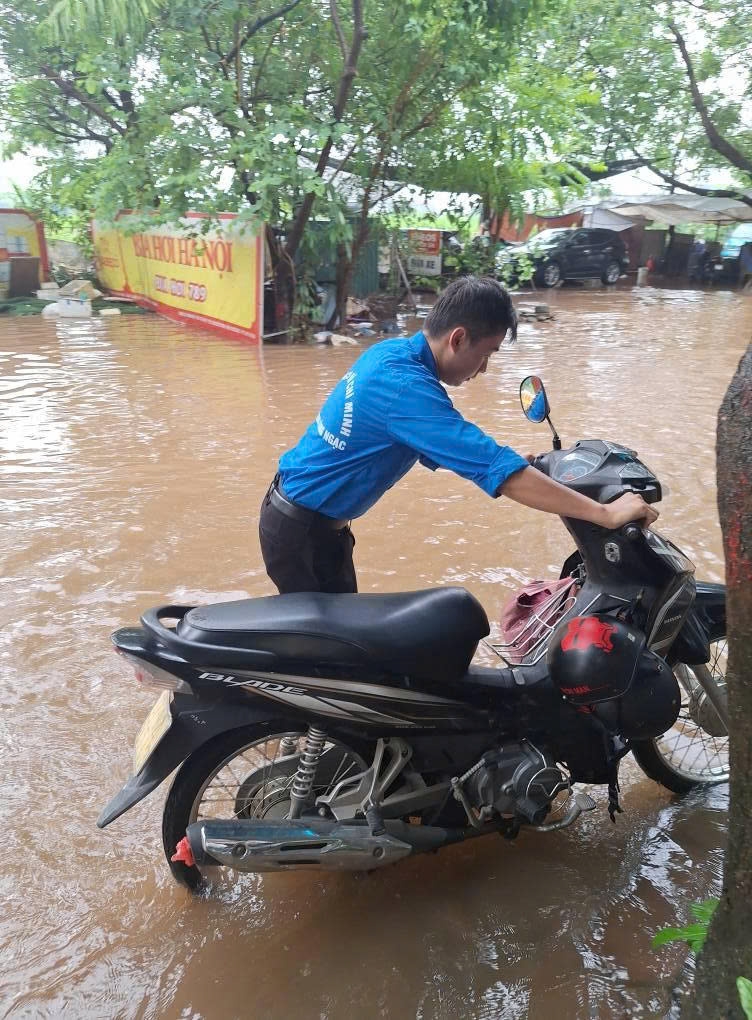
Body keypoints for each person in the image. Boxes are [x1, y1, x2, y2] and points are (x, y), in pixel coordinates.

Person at [259, 275, 657, 594]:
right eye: (487, 354)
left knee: (342, 638)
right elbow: (494, 469)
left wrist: (519, 464)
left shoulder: (391, 354)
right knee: (330, 654)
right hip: (302, 534)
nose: (483, 369)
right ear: (458, 338)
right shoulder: (405, 389)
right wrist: (606, 514)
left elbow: (457, 449)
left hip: (308, 521)